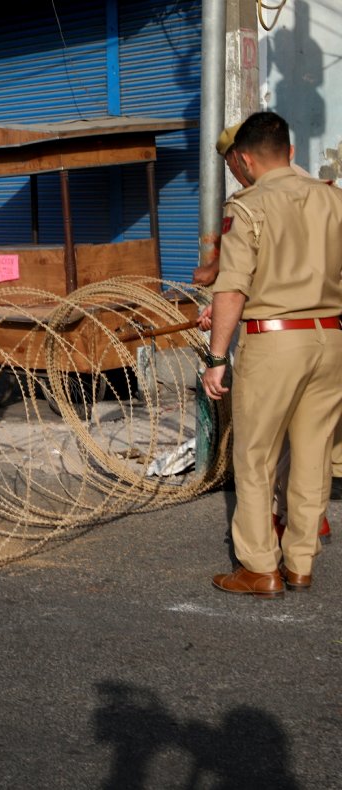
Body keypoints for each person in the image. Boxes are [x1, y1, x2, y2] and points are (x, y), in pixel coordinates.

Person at [202, 111, 342, 598]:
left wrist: (216, 356)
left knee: (256, 454)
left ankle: (259, 567)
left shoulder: (248, 205)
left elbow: (234, 284)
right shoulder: (334, 200)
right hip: (331, 337)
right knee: (312, 453)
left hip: (276, 340)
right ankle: (301, 563)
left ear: (242, 159)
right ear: (292, 153)